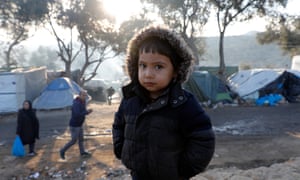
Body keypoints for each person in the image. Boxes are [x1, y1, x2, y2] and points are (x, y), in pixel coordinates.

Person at [112, 25, 215, 180]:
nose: (148, 74)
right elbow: (118, 125)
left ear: (175, 71)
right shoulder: (130, 100)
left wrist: (182, 170)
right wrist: (122, 150)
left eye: (158, 67)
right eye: (143, 65)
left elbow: (203, 139)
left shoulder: (183, 103)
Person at [60, 90, 93, 160]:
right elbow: (77, 114)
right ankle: (62, 150)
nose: (84, 96)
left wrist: (87, 112)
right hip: (74, 125)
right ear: (79, 95)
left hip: (79, 124)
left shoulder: (82, 102)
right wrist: (86, 112)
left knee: (81, 139)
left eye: (85, 95)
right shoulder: (76, 103)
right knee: (73, 140)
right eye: (83, 95)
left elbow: (82, 112)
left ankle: (82, 152)